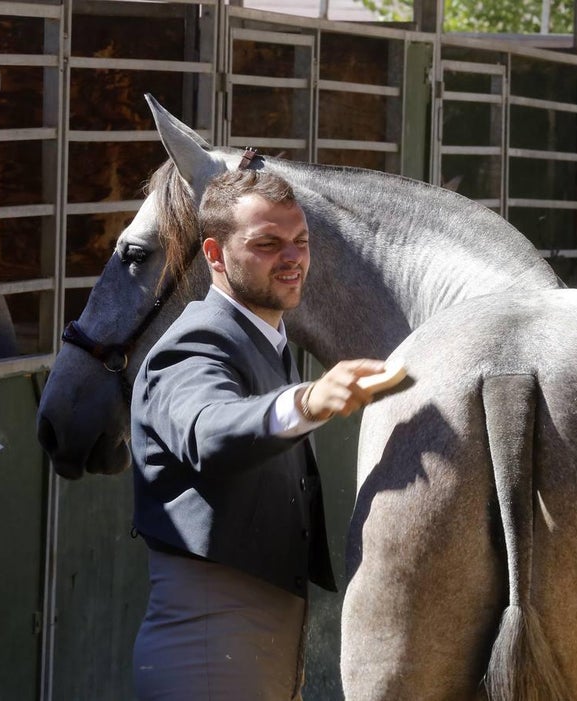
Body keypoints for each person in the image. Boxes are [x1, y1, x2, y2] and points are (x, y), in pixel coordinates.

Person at [130, 167, 387, 700]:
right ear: (215, 255)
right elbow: (205, 429)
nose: (292, 258)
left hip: (259, 648)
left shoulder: (267, 338)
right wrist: (307, 400)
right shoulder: (196, 341)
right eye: (268, 243)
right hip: (210, 651)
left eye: (300, 241)